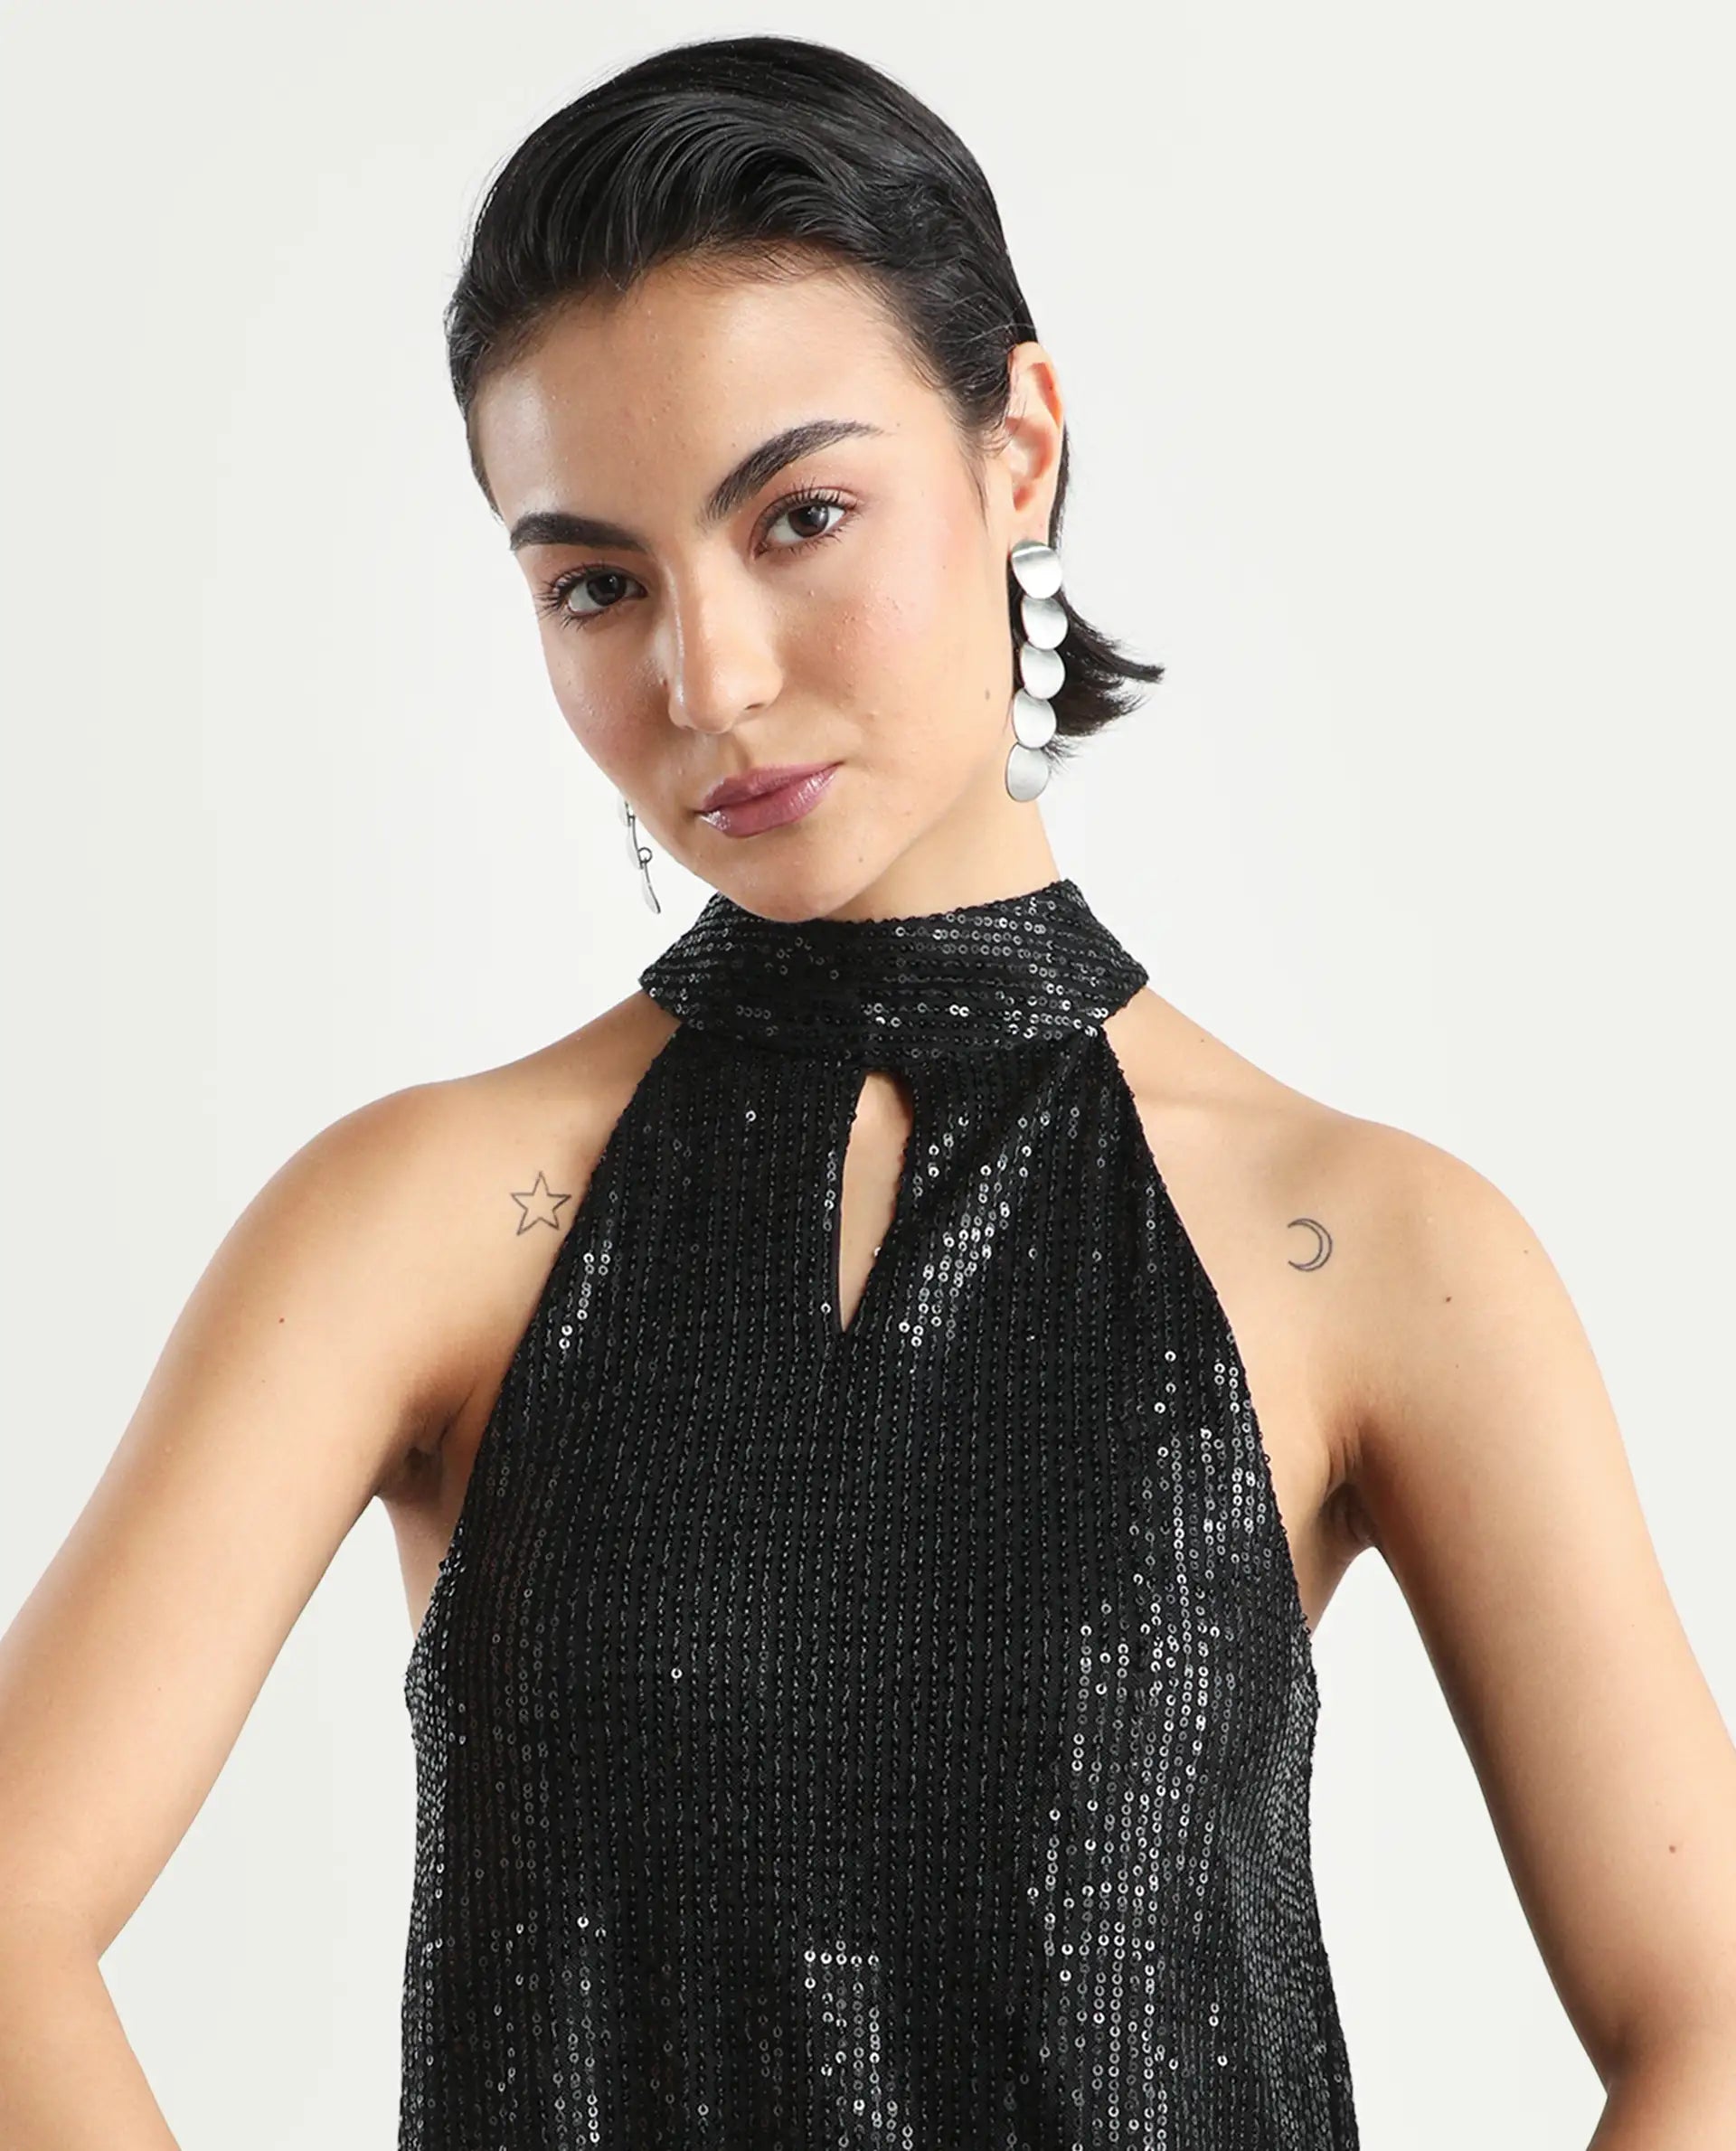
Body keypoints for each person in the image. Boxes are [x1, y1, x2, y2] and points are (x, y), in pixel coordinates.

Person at [3, 30, 1735, 2151]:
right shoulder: (418, 1221)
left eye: (802, 515)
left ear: (1018, 454)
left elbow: (1709, 2019)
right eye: (596, 583)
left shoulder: (1369, 1245)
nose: (709, 677)